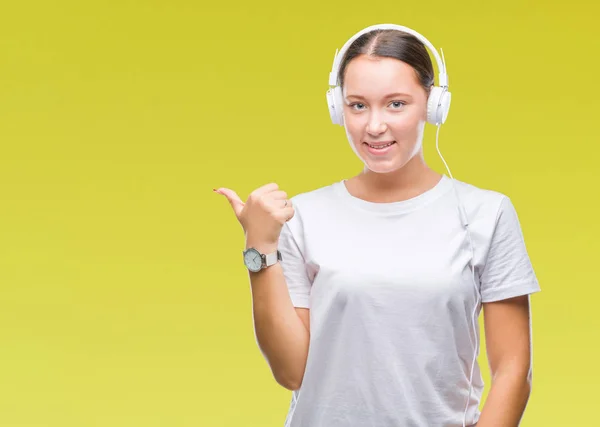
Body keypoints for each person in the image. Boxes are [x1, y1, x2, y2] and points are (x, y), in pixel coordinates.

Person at [215, 23, 540, 427]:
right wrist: (260, 247)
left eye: (396, 104)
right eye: (357, 105)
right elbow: (292, 372)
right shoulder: (303, 216)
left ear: (433, 104)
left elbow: (513, 370)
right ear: (339, 110)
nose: (374, 126)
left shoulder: (487, 213)